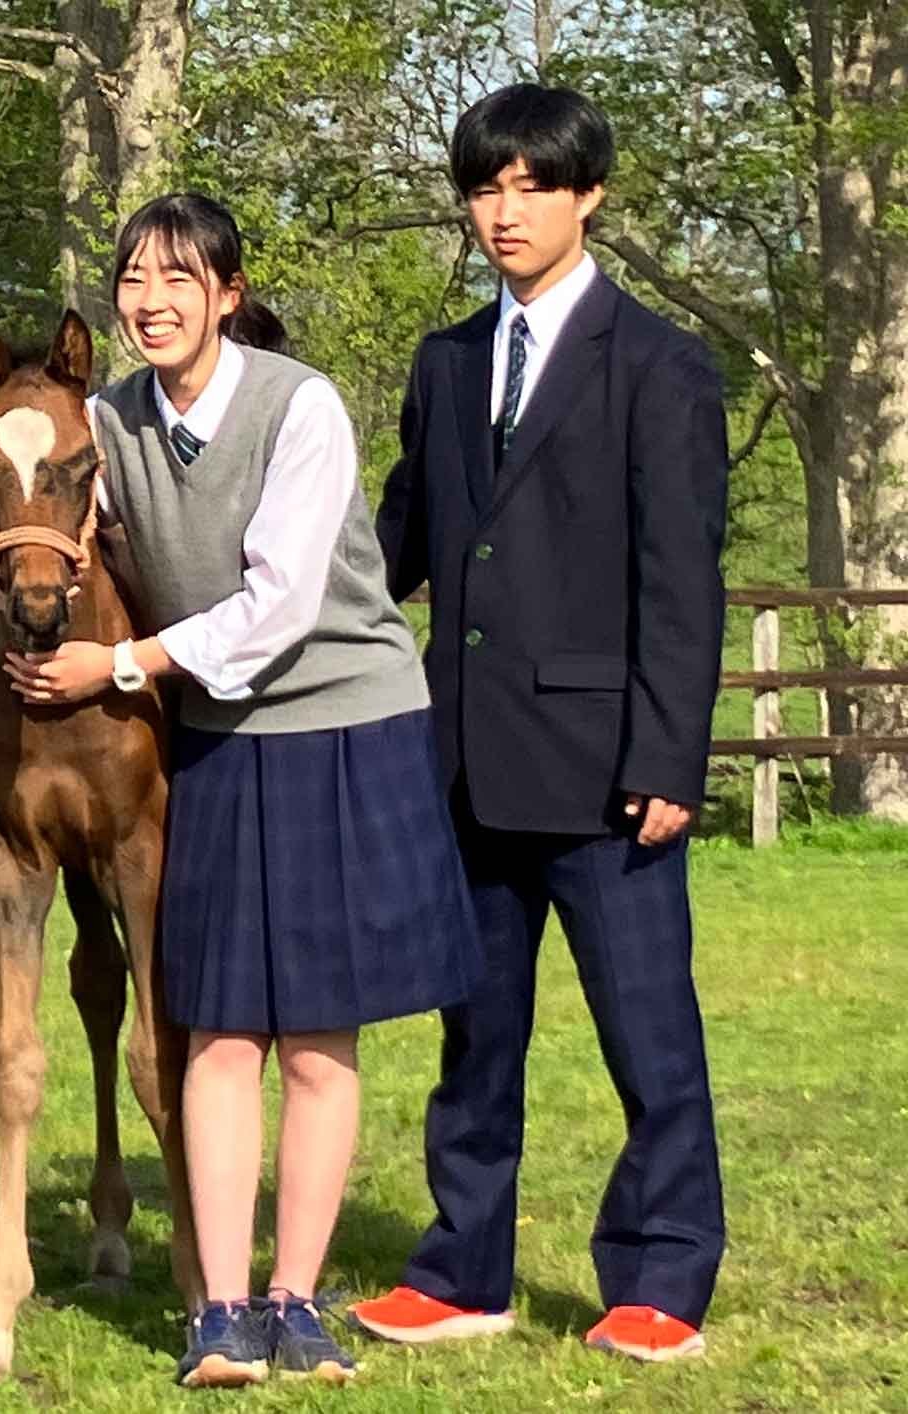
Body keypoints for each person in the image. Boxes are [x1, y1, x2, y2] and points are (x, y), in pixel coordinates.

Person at [0, 193, 478, 1387]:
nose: (150, 299)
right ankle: (221, 1305)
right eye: (134, 277)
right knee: (220, 1015)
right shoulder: (108, 417)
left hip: (334, 711)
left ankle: (293, 1294)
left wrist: (118, 663)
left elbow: (283, 601)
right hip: (213, 726)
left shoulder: (298, 407)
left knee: (315, 1026)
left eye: (178, 279)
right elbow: (35, 519)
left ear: (227, 296)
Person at [349, 83, 729, 1364]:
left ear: (588, 198)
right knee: (473, 1039)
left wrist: (668, 757)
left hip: (611, 772)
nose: (503, 211)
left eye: (531, 186)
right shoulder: (445, 362)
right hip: (459, 762)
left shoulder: (662, 366)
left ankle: (659, 1275)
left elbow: (682, 584)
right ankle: (464, 1270)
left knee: (647, 1037)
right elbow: (395, 540)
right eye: (484, 185)